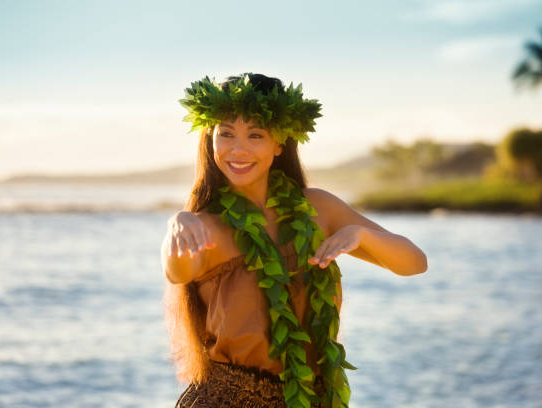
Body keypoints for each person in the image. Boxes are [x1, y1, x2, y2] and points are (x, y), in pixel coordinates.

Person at [161, 73, 428, 408]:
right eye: (226, 134)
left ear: (279, 144)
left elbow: (415, 263)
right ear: (210, 139)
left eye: (255, 134)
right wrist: (178, 224)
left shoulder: (318, 208)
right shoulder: (205, 226)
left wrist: (361, 235)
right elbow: (178, 272)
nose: (238, 149)